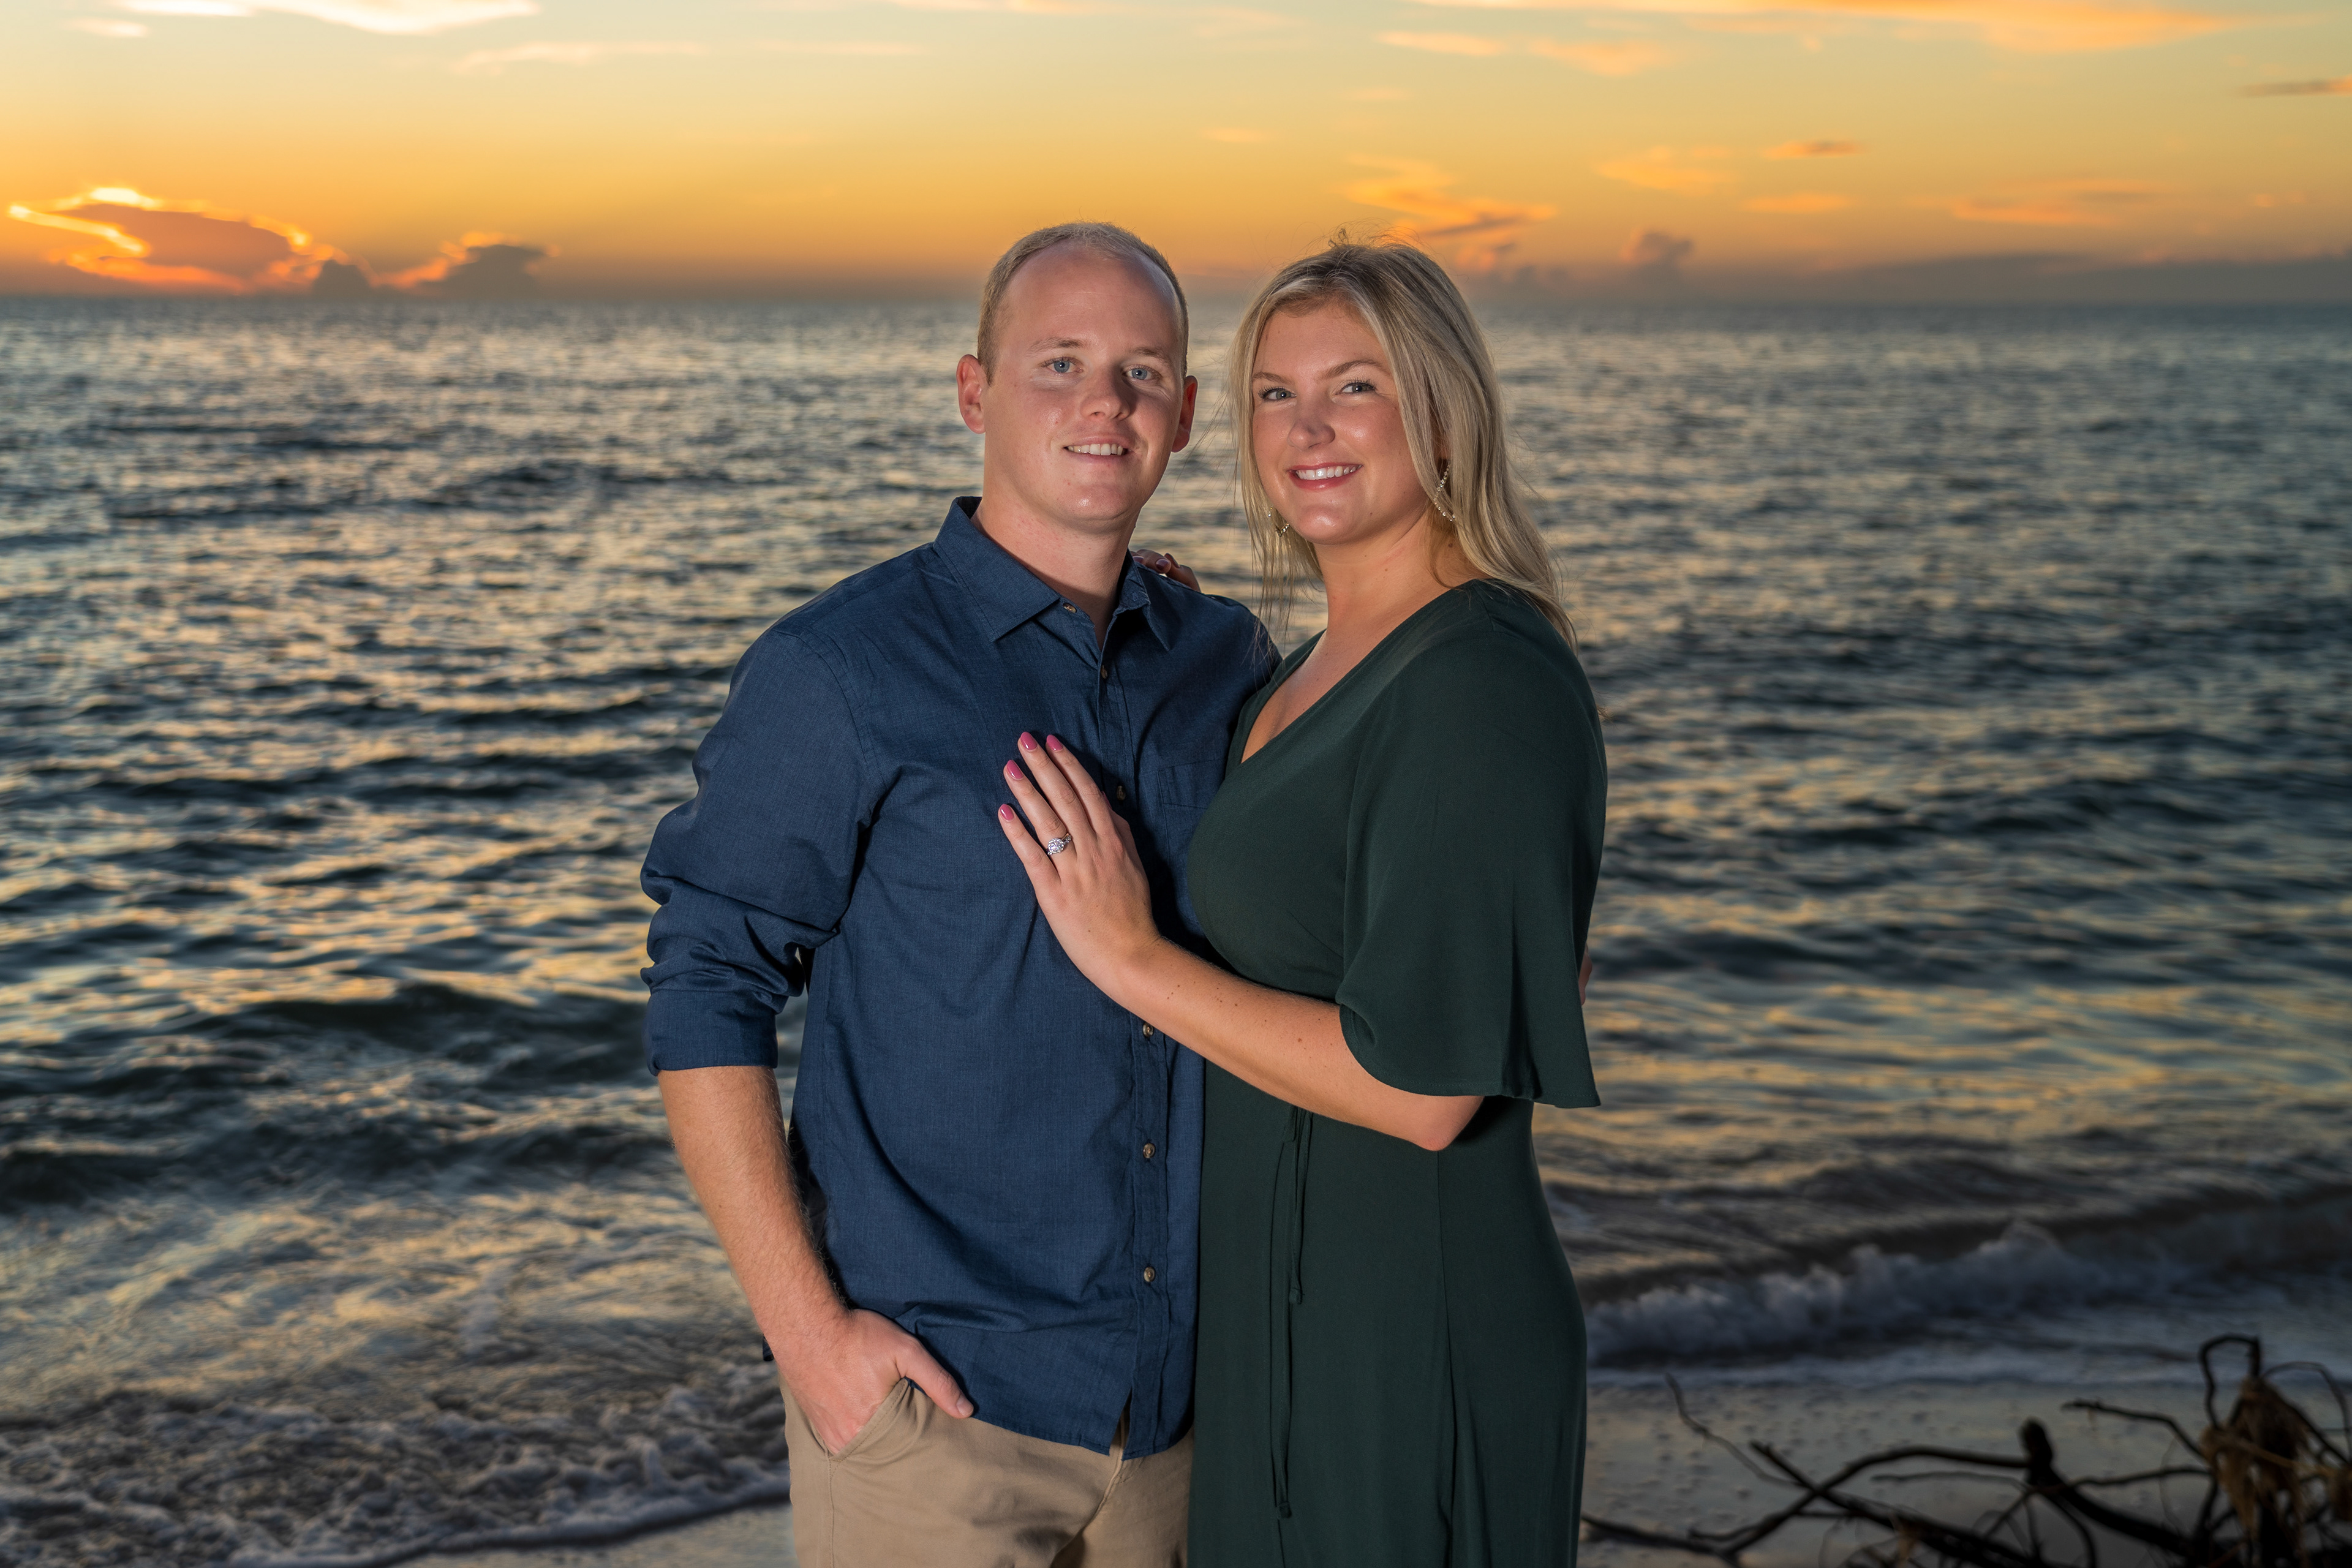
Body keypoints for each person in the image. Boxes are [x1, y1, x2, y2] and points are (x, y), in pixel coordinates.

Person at [641, 222, 1275, 1567]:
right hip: (937, 1414)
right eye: (1059, 363)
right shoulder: (842, 670)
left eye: (1143, 371)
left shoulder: (1224, 660)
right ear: (975, 392)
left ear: (1186, 416)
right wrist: (809, 1338)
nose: (1105, 403)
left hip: (1179, 1412)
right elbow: (705, 985)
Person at [995, 238, 1605, 1566]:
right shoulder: (1298, 671)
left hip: (1410, 1330)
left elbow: (1428, 1088)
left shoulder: (1484, 678)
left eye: (1356, 388)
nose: (1308, 429)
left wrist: (1128, 955)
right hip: (1278, 1324)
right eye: (1273, 393)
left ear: (1441, 409)